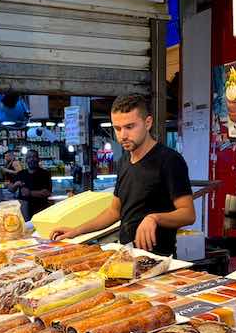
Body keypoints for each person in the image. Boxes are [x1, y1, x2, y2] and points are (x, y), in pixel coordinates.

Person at [51, 94, 196, 256]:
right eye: (117, 128)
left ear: (148, 123)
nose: (122, 136)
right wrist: (77, 230)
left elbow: (188, 214)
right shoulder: (124, 161)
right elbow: (114, 211)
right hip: (127, 254)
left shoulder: (169, 160)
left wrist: (154, 218)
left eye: (130, 127)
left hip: (159, 258)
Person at [15, 149, 52, 218]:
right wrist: (14, 185)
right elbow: (11, 189)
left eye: (34, 157)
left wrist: (30, 193)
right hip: (23, 210)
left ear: (38, 159)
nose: (32, 159)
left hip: (40, 209)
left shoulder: (45, 174)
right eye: (29, 157)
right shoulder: (21, 173)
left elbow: (47, 192)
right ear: (26, 160)